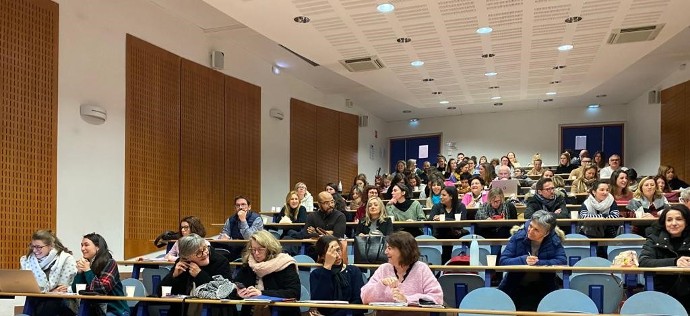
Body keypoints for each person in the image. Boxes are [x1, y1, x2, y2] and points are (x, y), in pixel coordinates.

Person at [360, 232, 443, 315]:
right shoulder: (383, 268)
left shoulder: (421, 268)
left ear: (403, 250)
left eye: (389, 248)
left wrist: (407, 299)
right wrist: (381, 284)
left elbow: (437, 298)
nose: (385, 252)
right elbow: (364, 297)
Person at [498, 210, 567, 311]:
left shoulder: (554, 240)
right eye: (530, 226)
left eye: (536, 230)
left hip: (544, 286)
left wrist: (539, 263)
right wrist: (523, 260)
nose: (530, 231)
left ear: (546, 233)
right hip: (515, 285)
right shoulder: (519, 236)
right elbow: (503, 261)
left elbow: (562, 260)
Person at [160, 234, 234, 316]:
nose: (205, 253)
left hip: (213, 310)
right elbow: (161, 293)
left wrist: (200, 275)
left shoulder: (220, 261)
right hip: (183, 309)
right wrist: (173, 276)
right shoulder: (182, 264)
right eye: (199, 253)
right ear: (187, 257)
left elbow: (226, 292)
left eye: (205, 248)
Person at [234, 231, 301, 316]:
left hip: (280, 312)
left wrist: (262, 294)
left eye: (260, 249)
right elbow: (235, 285)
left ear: (270, 248)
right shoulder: (249, 264)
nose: (256, 253)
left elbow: (294, 293)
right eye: (253, 249)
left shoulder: (285, 264)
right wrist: (238, 292)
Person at [639, 204, 690, 313]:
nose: (674, 223)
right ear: (664, 222)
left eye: (679, 219)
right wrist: (675, 262)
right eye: (669, 220)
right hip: (663, 291)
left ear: (686, 221)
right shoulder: (654, 238)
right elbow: (644, 261)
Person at [20, 230, 77, 316]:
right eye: (33, 246)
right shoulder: (27, 260)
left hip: (63, 301)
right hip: (37, 300)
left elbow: (62, 288)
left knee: (51, 301)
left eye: (39, 247)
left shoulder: (65, 259)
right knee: (32, 298)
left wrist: (49, 293)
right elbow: (25, 285)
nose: (35, 250)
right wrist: (50, 291)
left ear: (50, 246)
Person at [72, 233, 129, 316]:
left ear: (98, 247)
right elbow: (76, 290)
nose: (82, 248)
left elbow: (102, 289)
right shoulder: (87, 264)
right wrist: (80, 273)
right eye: (82, 245)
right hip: (93, 308)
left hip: (115, 310)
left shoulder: (110, 263)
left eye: (86, 245)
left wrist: (88, 271)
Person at [309, 235, 365, 316]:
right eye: (331, 252)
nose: (337, 256)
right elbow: (319, 303)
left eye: (338, 250)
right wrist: (327, 267)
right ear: (322, 256)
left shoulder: (353, 271)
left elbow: (358, 302)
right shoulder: (316, 274)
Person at [428, 186, 468, 262]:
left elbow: (463, 222)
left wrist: (444, 218)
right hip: (440, 234)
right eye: (441, 195)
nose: (440, 197)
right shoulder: (437, 206)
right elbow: (430, 220)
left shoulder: (460, 206)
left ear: (451, 196)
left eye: (444, 195)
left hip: (457, 234)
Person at [579, 180, 619, 257]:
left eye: (607, 190)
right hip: (589, 233)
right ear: (594, 192)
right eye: (602, 190)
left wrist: (596, 218)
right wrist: (604, 217)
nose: (605, 192)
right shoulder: (586, 203)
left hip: (608, 233)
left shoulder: (612, 201)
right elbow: (584, 217)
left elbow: (615, 216)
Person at [219, 196, 264, 261]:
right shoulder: (231, 219)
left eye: (243, 204)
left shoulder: (257, 219)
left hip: (251, 249)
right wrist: (223, 237)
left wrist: (243, 220)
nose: (240, 207)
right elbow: (225, 234)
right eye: (238, 205)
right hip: (234, 248)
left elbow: (250, 238)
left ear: (249, 207)